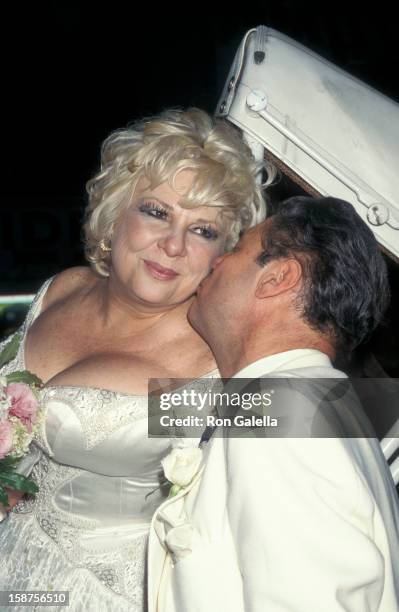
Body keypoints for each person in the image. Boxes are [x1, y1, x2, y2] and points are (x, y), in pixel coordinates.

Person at [0, 108, 271, 611]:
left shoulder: (214, 356)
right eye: (157, 211)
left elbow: (333, 420)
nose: (173, 245)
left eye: (203, 231)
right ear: (116, 212)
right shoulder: (60, 290)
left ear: (222, 255)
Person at [147, 196, 399, 612]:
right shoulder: (316, 402)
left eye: (237, 249)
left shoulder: (282, 414)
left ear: (278, 278)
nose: (216, 261)